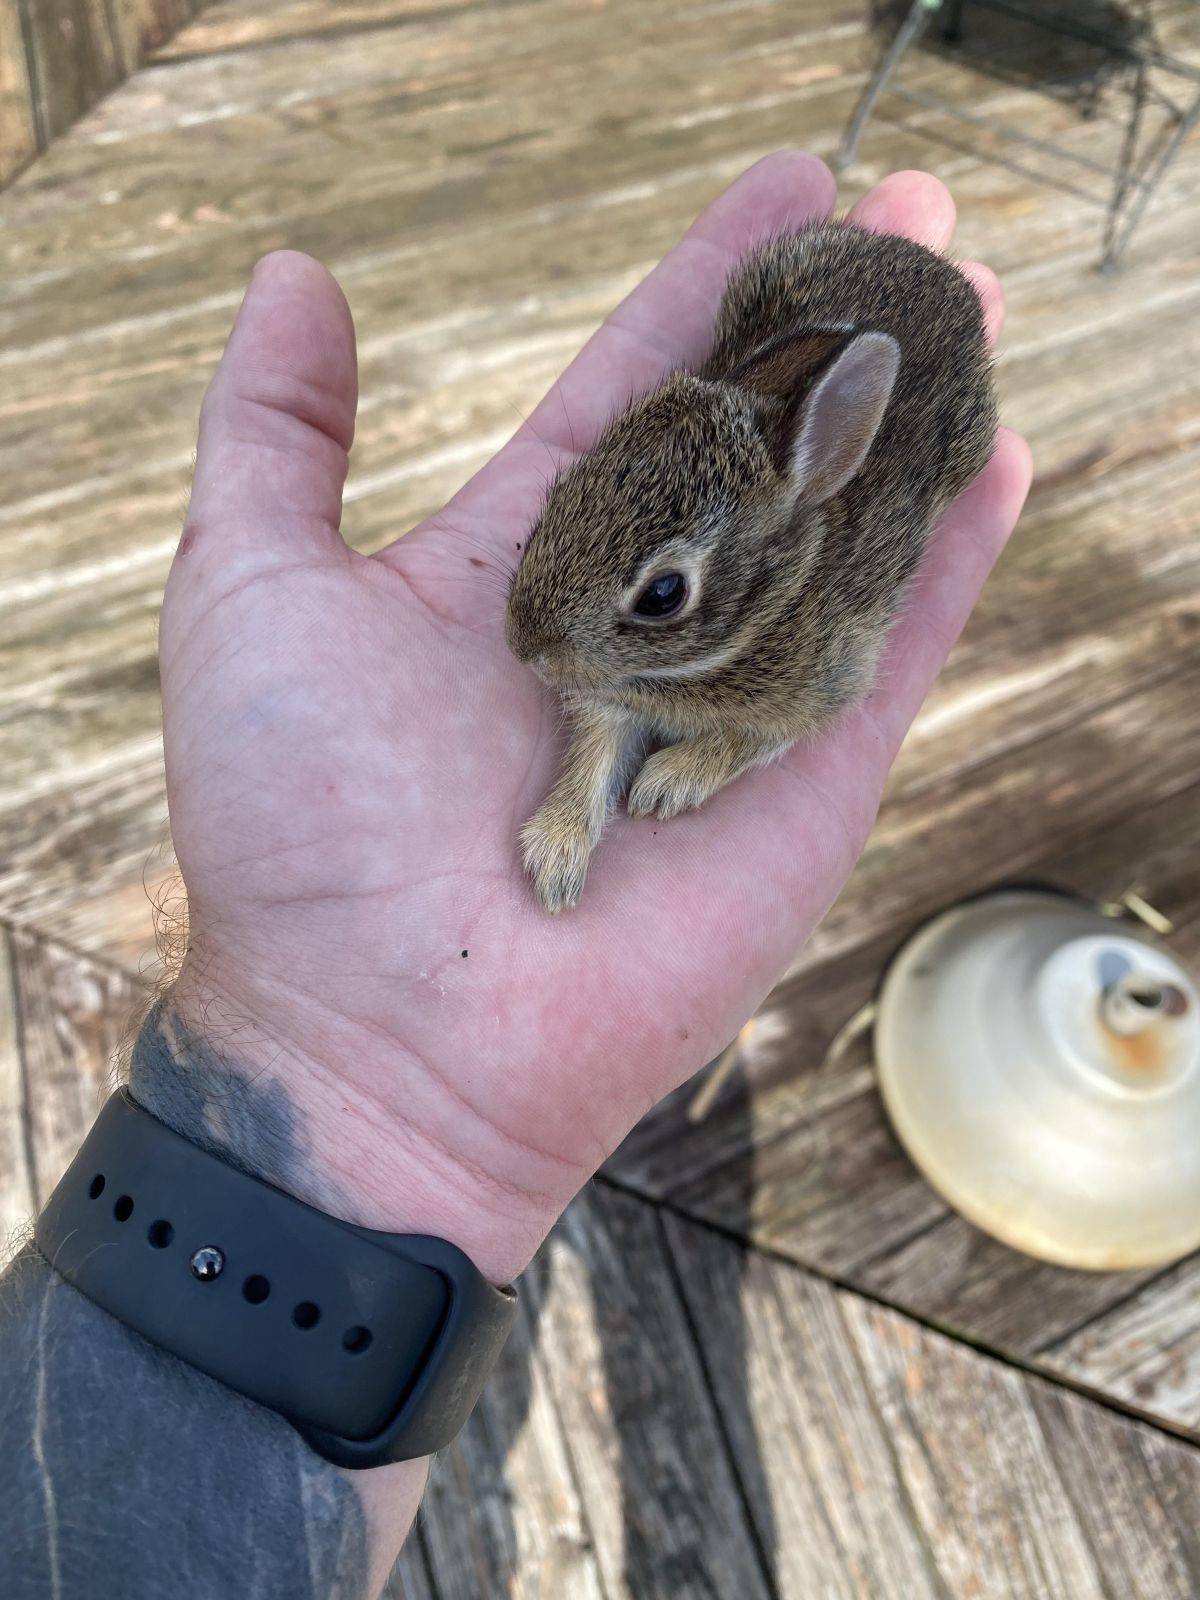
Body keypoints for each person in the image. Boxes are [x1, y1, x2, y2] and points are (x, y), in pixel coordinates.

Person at [0, 152, 1029, 1599]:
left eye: (660, 596)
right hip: (790, 374)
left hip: (848, 439)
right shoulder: (622, 568)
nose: (529, 646)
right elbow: (592, 685)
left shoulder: (790, 640)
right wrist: (578, 790)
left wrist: (706, 757)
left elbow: (809, 685)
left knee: (917, 487)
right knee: (775, 280)